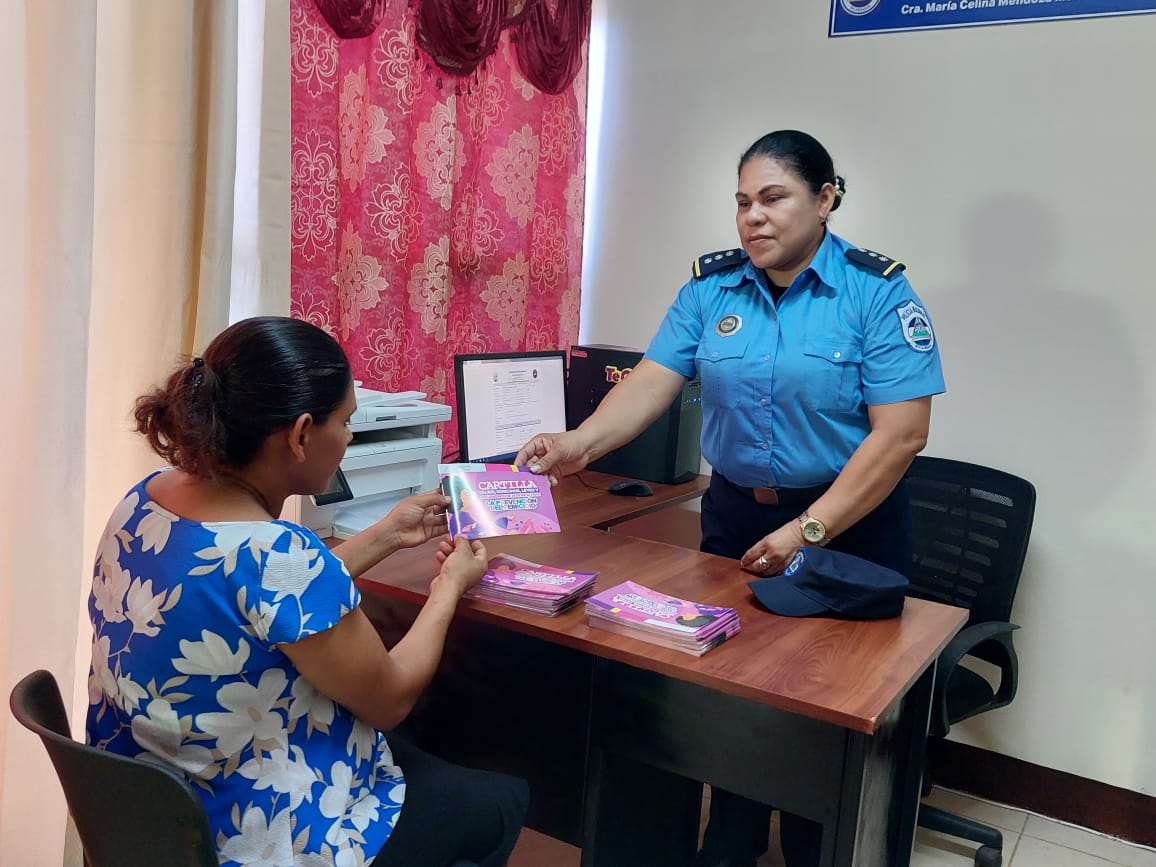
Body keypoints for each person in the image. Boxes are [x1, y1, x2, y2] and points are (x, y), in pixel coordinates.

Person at [515, 130, 945, 867]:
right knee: (730, 695)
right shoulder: (710, 289)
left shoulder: (876, 292)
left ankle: (819, 849)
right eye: (743, 201)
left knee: (829, 719)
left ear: (826, 198)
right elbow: (653, 381)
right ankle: (732, 840)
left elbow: (902, 435)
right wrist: (579, 441)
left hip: (848, 527)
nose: (754, 217)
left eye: (774, 197)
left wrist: (809, 528)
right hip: (739, 518)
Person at [86, 316, 529, 867]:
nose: (347, 437)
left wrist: (387, 534)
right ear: (299, 435)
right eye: (345, 422)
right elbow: (389, 698)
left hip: (154, 812)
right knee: (501, 800)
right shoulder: (278, 555)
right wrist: (450, 588)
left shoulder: (145, 500)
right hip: (253, 831)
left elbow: (266, 604)